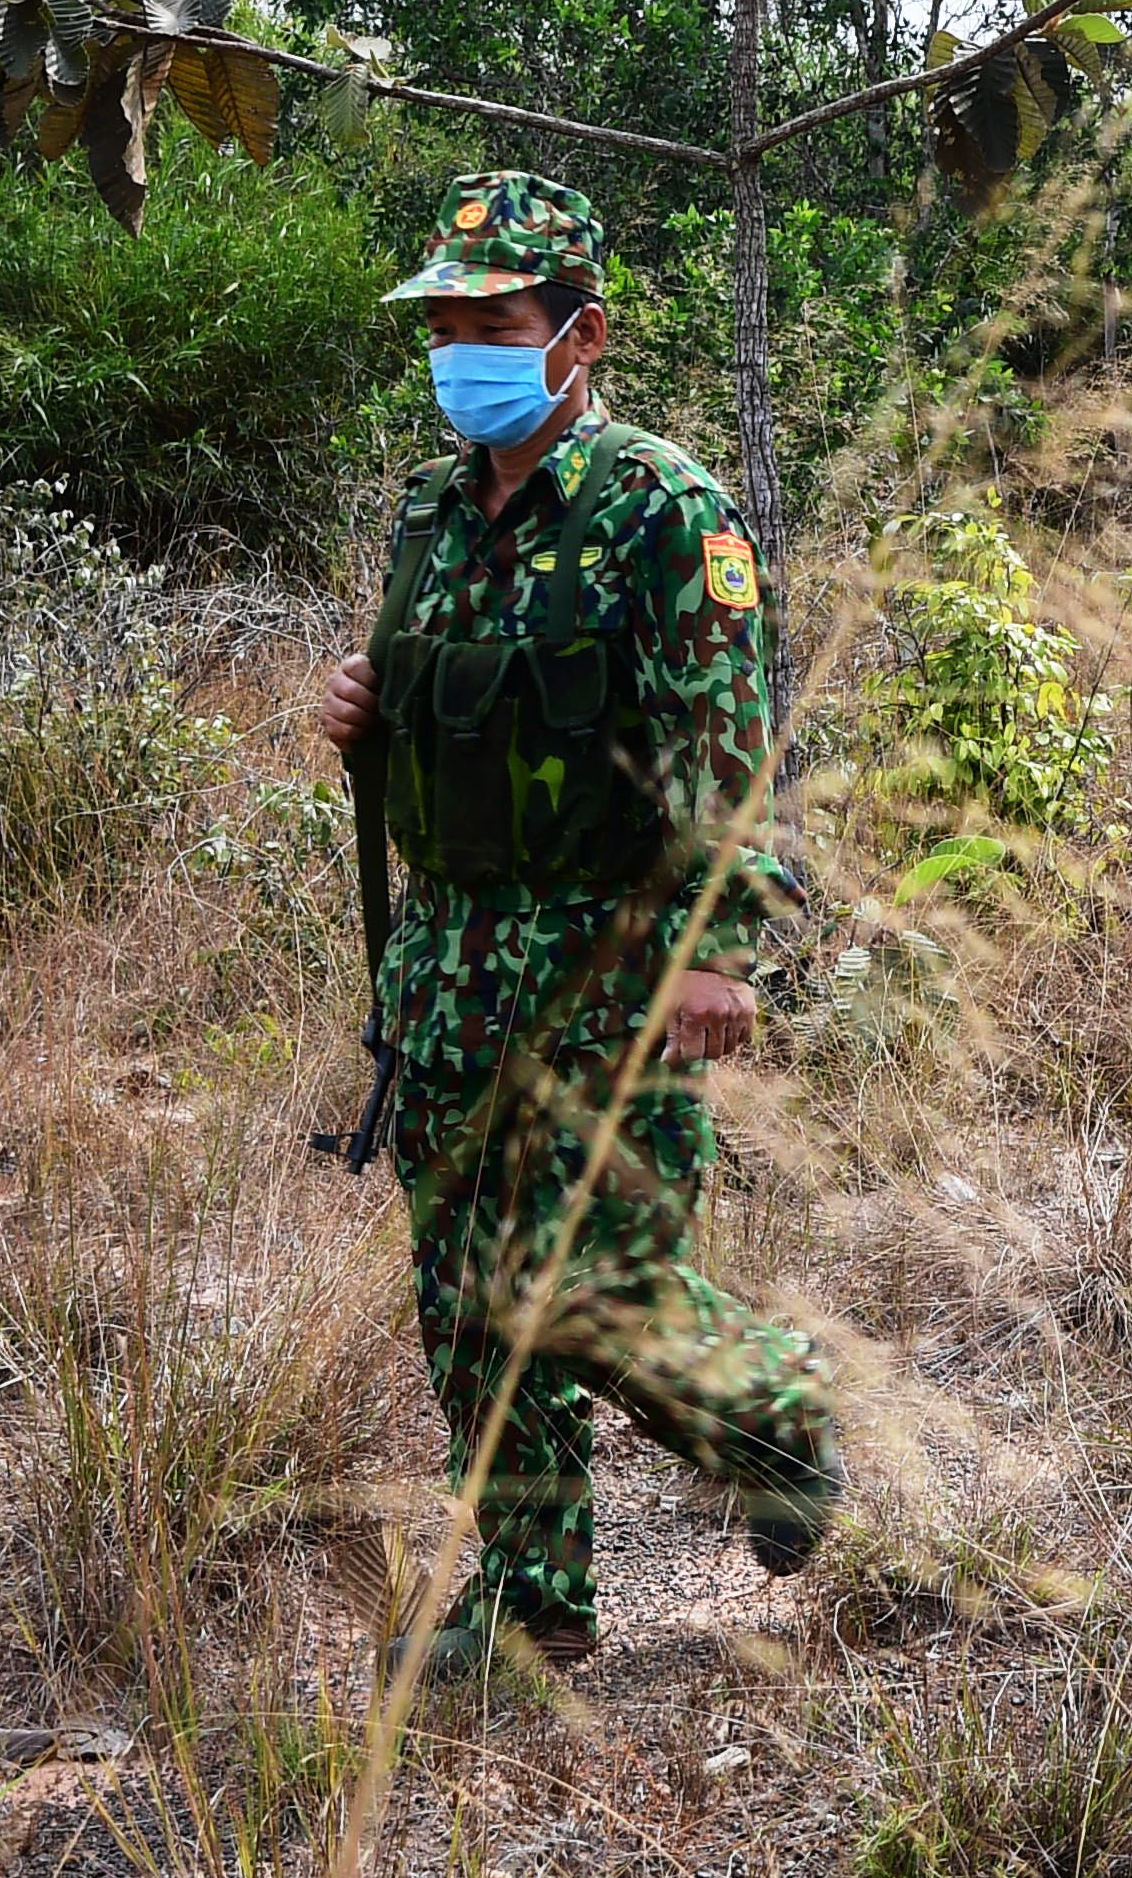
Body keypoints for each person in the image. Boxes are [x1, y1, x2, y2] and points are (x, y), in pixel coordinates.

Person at [304, 170, 835, 1674]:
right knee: (468, 1293)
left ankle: (767, 1409)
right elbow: (442, 714)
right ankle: (529, 1600)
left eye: (497, 318)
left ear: (580, 335)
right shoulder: (429, 511)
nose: (461, 345)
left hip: (605, 955)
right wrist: (365, 712)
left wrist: (724, 946)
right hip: (451, 961)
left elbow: (721, 738)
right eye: (447, 321)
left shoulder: (661, 512)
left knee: (591, 1278)